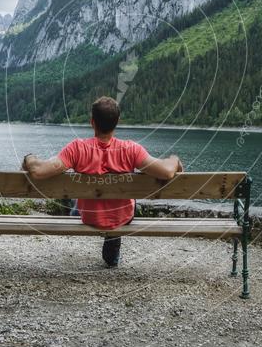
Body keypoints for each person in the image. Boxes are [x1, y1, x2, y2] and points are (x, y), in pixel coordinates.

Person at [21, 96, 183, 267]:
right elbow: (166, 171)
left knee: (76, 199)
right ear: (117, 122)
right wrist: (175, 159)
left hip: (89, 216)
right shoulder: (131, 149)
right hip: (122, 217)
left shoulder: (77, 148)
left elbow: (38, 171)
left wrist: (28, 158)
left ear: (92, 122)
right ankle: (112, 250)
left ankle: (78, 211)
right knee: (126, 203)